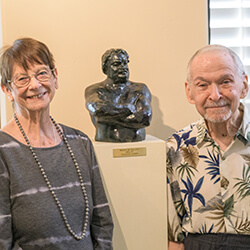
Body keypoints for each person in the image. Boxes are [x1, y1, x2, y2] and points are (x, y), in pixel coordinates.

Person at [0, 37, 113, 250]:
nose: (35, 85)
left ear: (55, 77)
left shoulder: (80, 143)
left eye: (42, 73)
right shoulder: (3, 151)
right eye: (22, 78)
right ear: (7, 90)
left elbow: (103, 223)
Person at [166, 44, 250, 250]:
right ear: (189, 92)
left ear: (244, 85)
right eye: (203, 85)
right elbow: (174, 236)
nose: (215, 95)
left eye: (225, 82)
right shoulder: (177, 146)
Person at [85, 48, 152, 142]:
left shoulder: (140, 88)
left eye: (125, 63)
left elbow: (145, 118)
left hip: (136, 143)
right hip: (106, 143)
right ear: (105, 68)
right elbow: (97, 109)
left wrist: (105, 119)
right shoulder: (95, 89)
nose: (123, 67)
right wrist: (128, 108)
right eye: (117, 64)